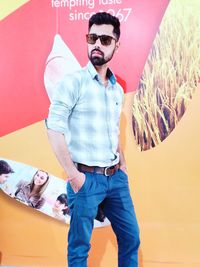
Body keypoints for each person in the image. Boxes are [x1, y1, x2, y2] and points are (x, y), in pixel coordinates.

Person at [46, 12, 140, 267]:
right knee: (79, 248)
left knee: (131, 238)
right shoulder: (72, 83)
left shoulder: (117, 89)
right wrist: (73, 176)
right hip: (85, 179)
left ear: (116, 45)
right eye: (92, 37)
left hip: (115, 179)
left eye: (105, 40)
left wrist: (122, 162)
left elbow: (112, 128)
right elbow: (53, 128)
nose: (97, 44)